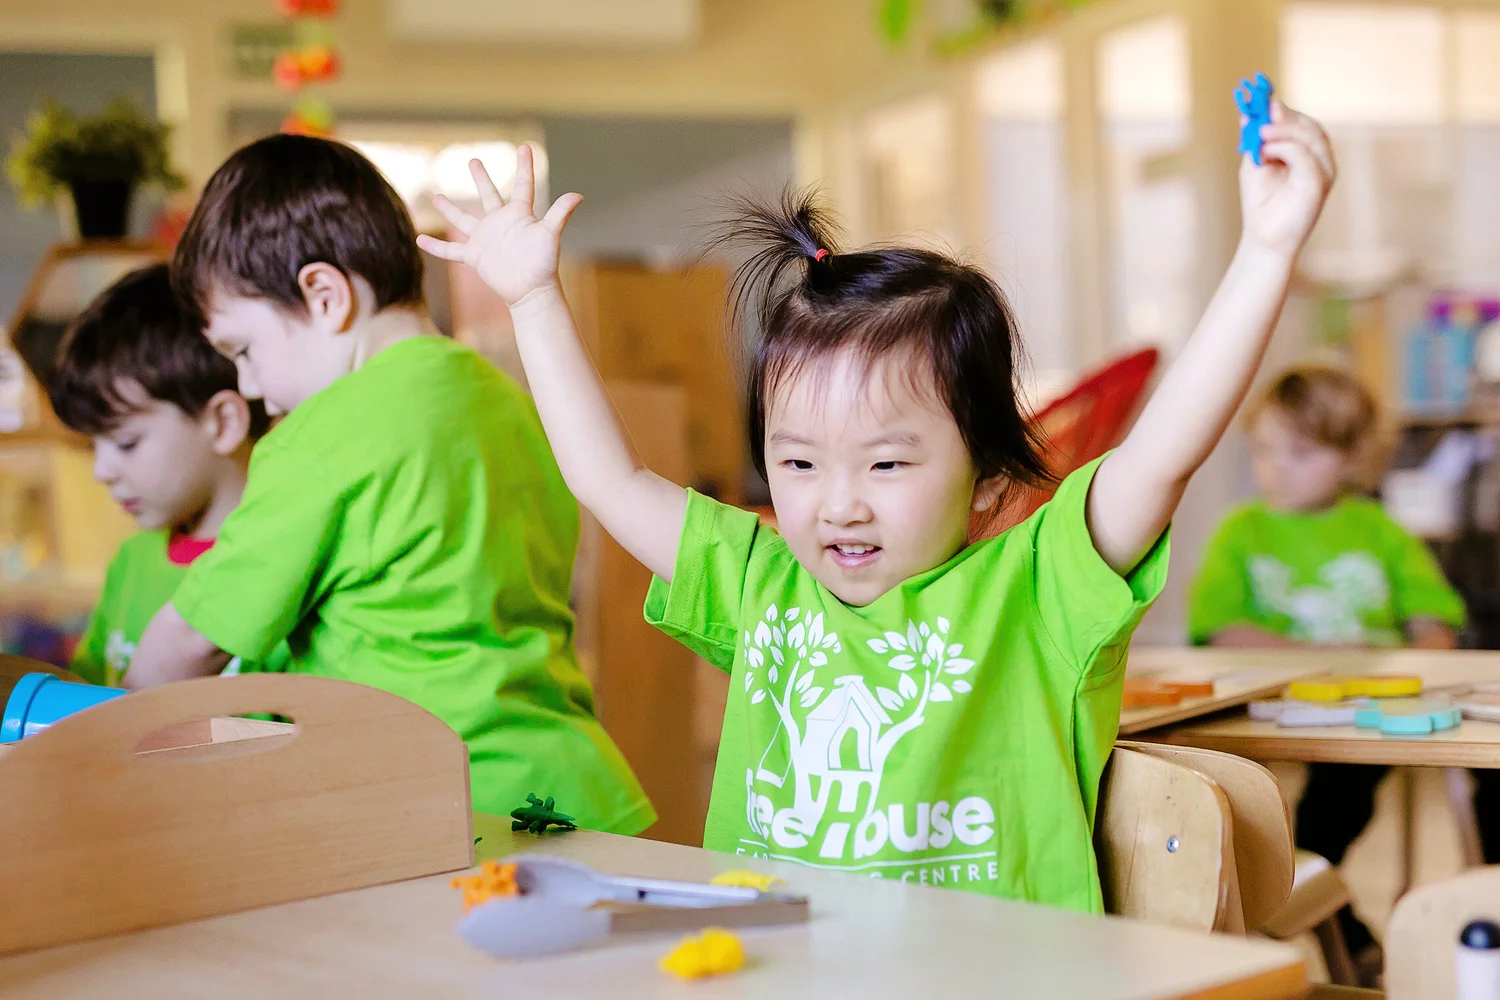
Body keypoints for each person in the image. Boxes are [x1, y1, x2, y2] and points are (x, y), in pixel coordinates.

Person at [421, 101, 1335, 909]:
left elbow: (1164, 452)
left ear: (986, 481)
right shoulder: (761, 585)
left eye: (888, 465)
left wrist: (1266, 251)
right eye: (800, 462)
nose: (839, 505)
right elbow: (608, 481)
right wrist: (535, 296)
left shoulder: (1038, 589)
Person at [124, 135, 653, 833]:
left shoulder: (320, 436)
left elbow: (195, 638)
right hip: (571, 787)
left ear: (323, 295)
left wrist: (113, 716)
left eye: (243, 351)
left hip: (447, 807)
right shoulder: (504, 400)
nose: (248, 385)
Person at [1191, 364, 1477, 968]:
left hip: (1357, 719)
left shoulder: (1380, 532)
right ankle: (1340, 927)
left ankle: (1328, 917)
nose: (1276, 468)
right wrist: (1317, 665)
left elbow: (1435, 625)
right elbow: (1221, 627)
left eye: (1300, 453)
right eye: (1264, 450)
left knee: (1328, 810)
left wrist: (1407, 661)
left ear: (1351, 459)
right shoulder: (1240, 532)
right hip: (1260, 718)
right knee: (1240, 817)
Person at [48, 263, 283, 686]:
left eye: (126, 443)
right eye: (92, 445)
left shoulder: (286, 564)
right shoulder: (130, 564)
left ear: (224, 422)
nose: (101, 471)